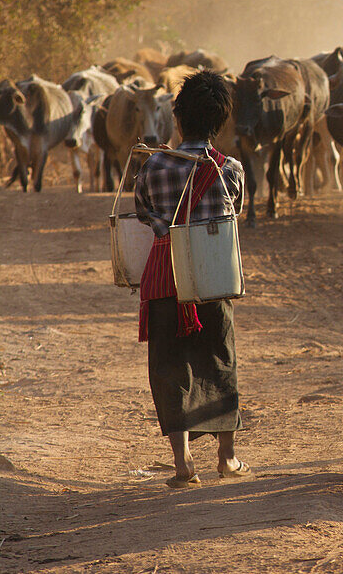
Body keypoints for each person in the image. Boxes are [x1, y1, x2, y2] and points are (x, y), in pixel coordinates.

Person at [134, 70, 250, 488]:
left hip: (166, 280)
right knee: (220, 360)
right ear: (220, 122)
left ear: (178, 119)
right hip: (213, 276)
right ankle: (227, 457)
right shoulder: (229, 170)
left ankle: (183, 465)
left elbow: (144, 212)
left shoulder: (152, 166)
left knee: (169, 366)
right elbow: (233, 212)